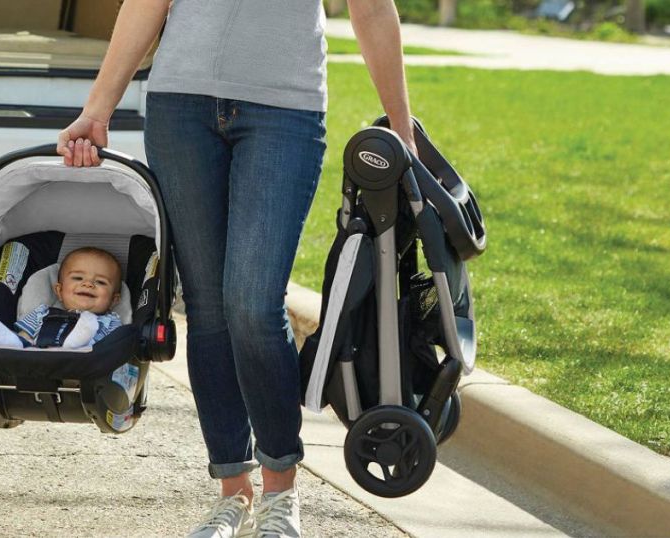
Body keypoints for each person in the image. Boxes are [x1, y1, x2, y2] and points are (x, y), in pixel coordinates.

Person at [57, 1, 419, 536]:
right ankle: (234, 492)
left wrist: (402, 131)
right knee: (208, 308)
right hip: (181, 105)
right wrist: (98, 107)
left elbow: (371, 9)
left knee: (252, 303)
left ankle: (280, 493)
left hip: (284, 111)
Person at [0, 247, 123, 350]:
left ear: (114, 300)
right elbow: (26, 333)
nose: (88, 284)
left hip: (85, 361)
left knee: (88, 339)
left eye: (101, 282)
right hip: (35, 355)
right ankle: (9, 343)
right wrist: (21, 341)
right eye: (78, 278)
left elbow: (113, 348)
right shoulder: (43, 312)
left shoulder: (110, 321)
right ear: (59, 291)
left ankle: (75, 345)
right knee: (20, 340)